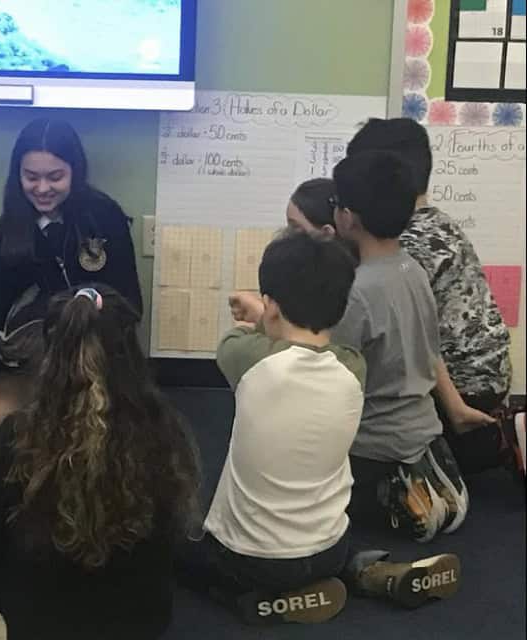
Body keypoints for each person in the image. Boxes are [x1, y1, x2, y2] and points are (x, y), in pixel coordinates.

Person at [178, 231, 461, 626]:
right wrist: (269, 312)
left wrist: (260, 315)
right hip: (331, 545)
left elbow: (240, 341)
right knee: (322, 539)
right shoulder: (353, 366)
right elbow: (308, 345)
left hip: (253, 557)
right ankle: (368, 572)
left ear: (272, 308)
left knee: (183, 552)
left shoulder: (244, 357)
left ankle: (257, 601)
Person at [0, 285, 200, 640]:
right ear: (130, 353)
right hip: (140, 623)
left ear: (50, 355)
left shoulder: (17, 435)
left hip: (42, 621)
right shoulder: (165, 431)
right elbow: (172, 537)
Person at [329, 151, 493, 541]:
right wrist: (455, 407)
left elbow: (329, 378)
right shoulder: (413, 269)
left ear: (348, 217)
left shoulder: (357, 291)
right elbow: (431, 349)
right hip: (425, 436)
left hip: (373, 451)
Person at [346, 117, 513, 474]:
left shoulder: (404, 245)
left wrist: (453, 408)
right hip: (492, 379)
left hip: (462, 392)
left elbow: (419, 336)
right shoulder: (441, 223)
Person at [0, 118, 143, 434]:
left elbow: (130, 302)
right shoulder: (4, 235)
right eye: (31, 177)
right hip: (33, 362)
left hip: (97, 354)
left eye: (55, 177)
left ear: (75, 171)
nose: (42, 189)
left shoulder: (104, 216)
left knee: (108, 425)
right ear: (18, 175)